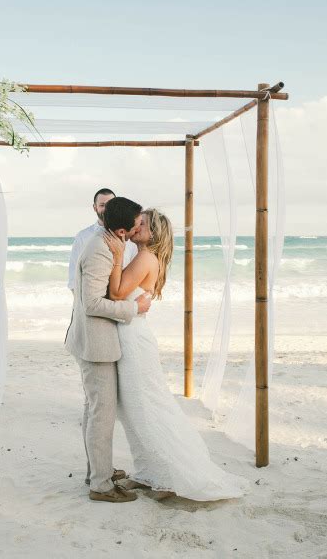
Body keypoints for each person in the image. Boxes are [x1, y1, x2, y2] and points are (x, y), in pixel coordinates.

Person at [103, 208, 248, 501]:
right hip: (133, 335)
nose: (135, 225)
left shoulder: (144, 257)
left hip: (134, 341)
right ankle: (150, 471)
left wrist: (117, 257)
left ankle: (169, 473)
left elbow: (117, 294)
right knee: (137, 409)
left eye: (141, 223)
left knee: (145, 407)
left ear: (153, 233)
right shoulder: (144, 255)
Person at [65, 197, 152, 503]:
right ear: (121, 230)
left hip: (93, 341)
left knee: (95, 409)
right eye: (137, 224)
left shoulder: (107, 242)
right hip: (94, 344)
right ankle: (101, 485)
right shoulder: (100, 249)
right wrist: (133, 306)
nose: (141, 227)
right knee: (102, 413)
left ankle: (97, 471)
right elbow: (91, 303)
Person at [68, 188, 137, 293]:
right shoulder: (82, 237)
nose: (107, 209)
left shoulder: (129, 237)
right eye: (102, 205)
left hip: (121, 301)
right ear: (95, 208)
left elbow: (134, 274)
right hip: (91, 302)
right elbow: (74, 279)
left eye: (110, 204)